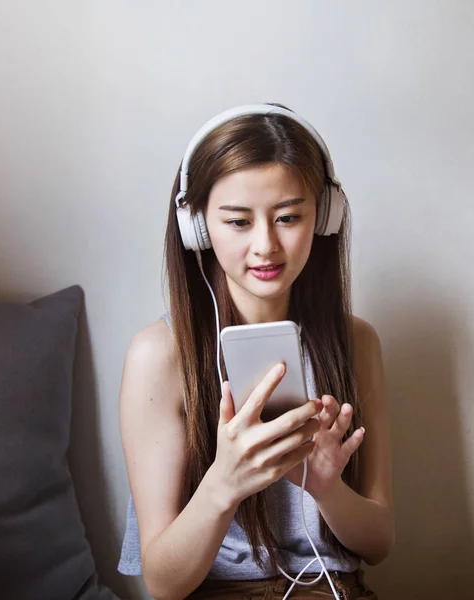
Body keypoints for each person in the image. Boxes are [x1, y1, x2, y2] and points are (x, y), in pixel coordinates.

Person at [117, 103, 394, 600]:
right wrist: (226, 482)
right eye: (238, 222)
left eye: (288, 216)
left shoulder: (357, 342)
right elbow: (162, 583)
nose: (266, 245)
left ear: (324, 217)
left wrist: (325, 486)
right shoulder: (158, 355)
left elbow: (377, 544)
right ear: (197, 227)